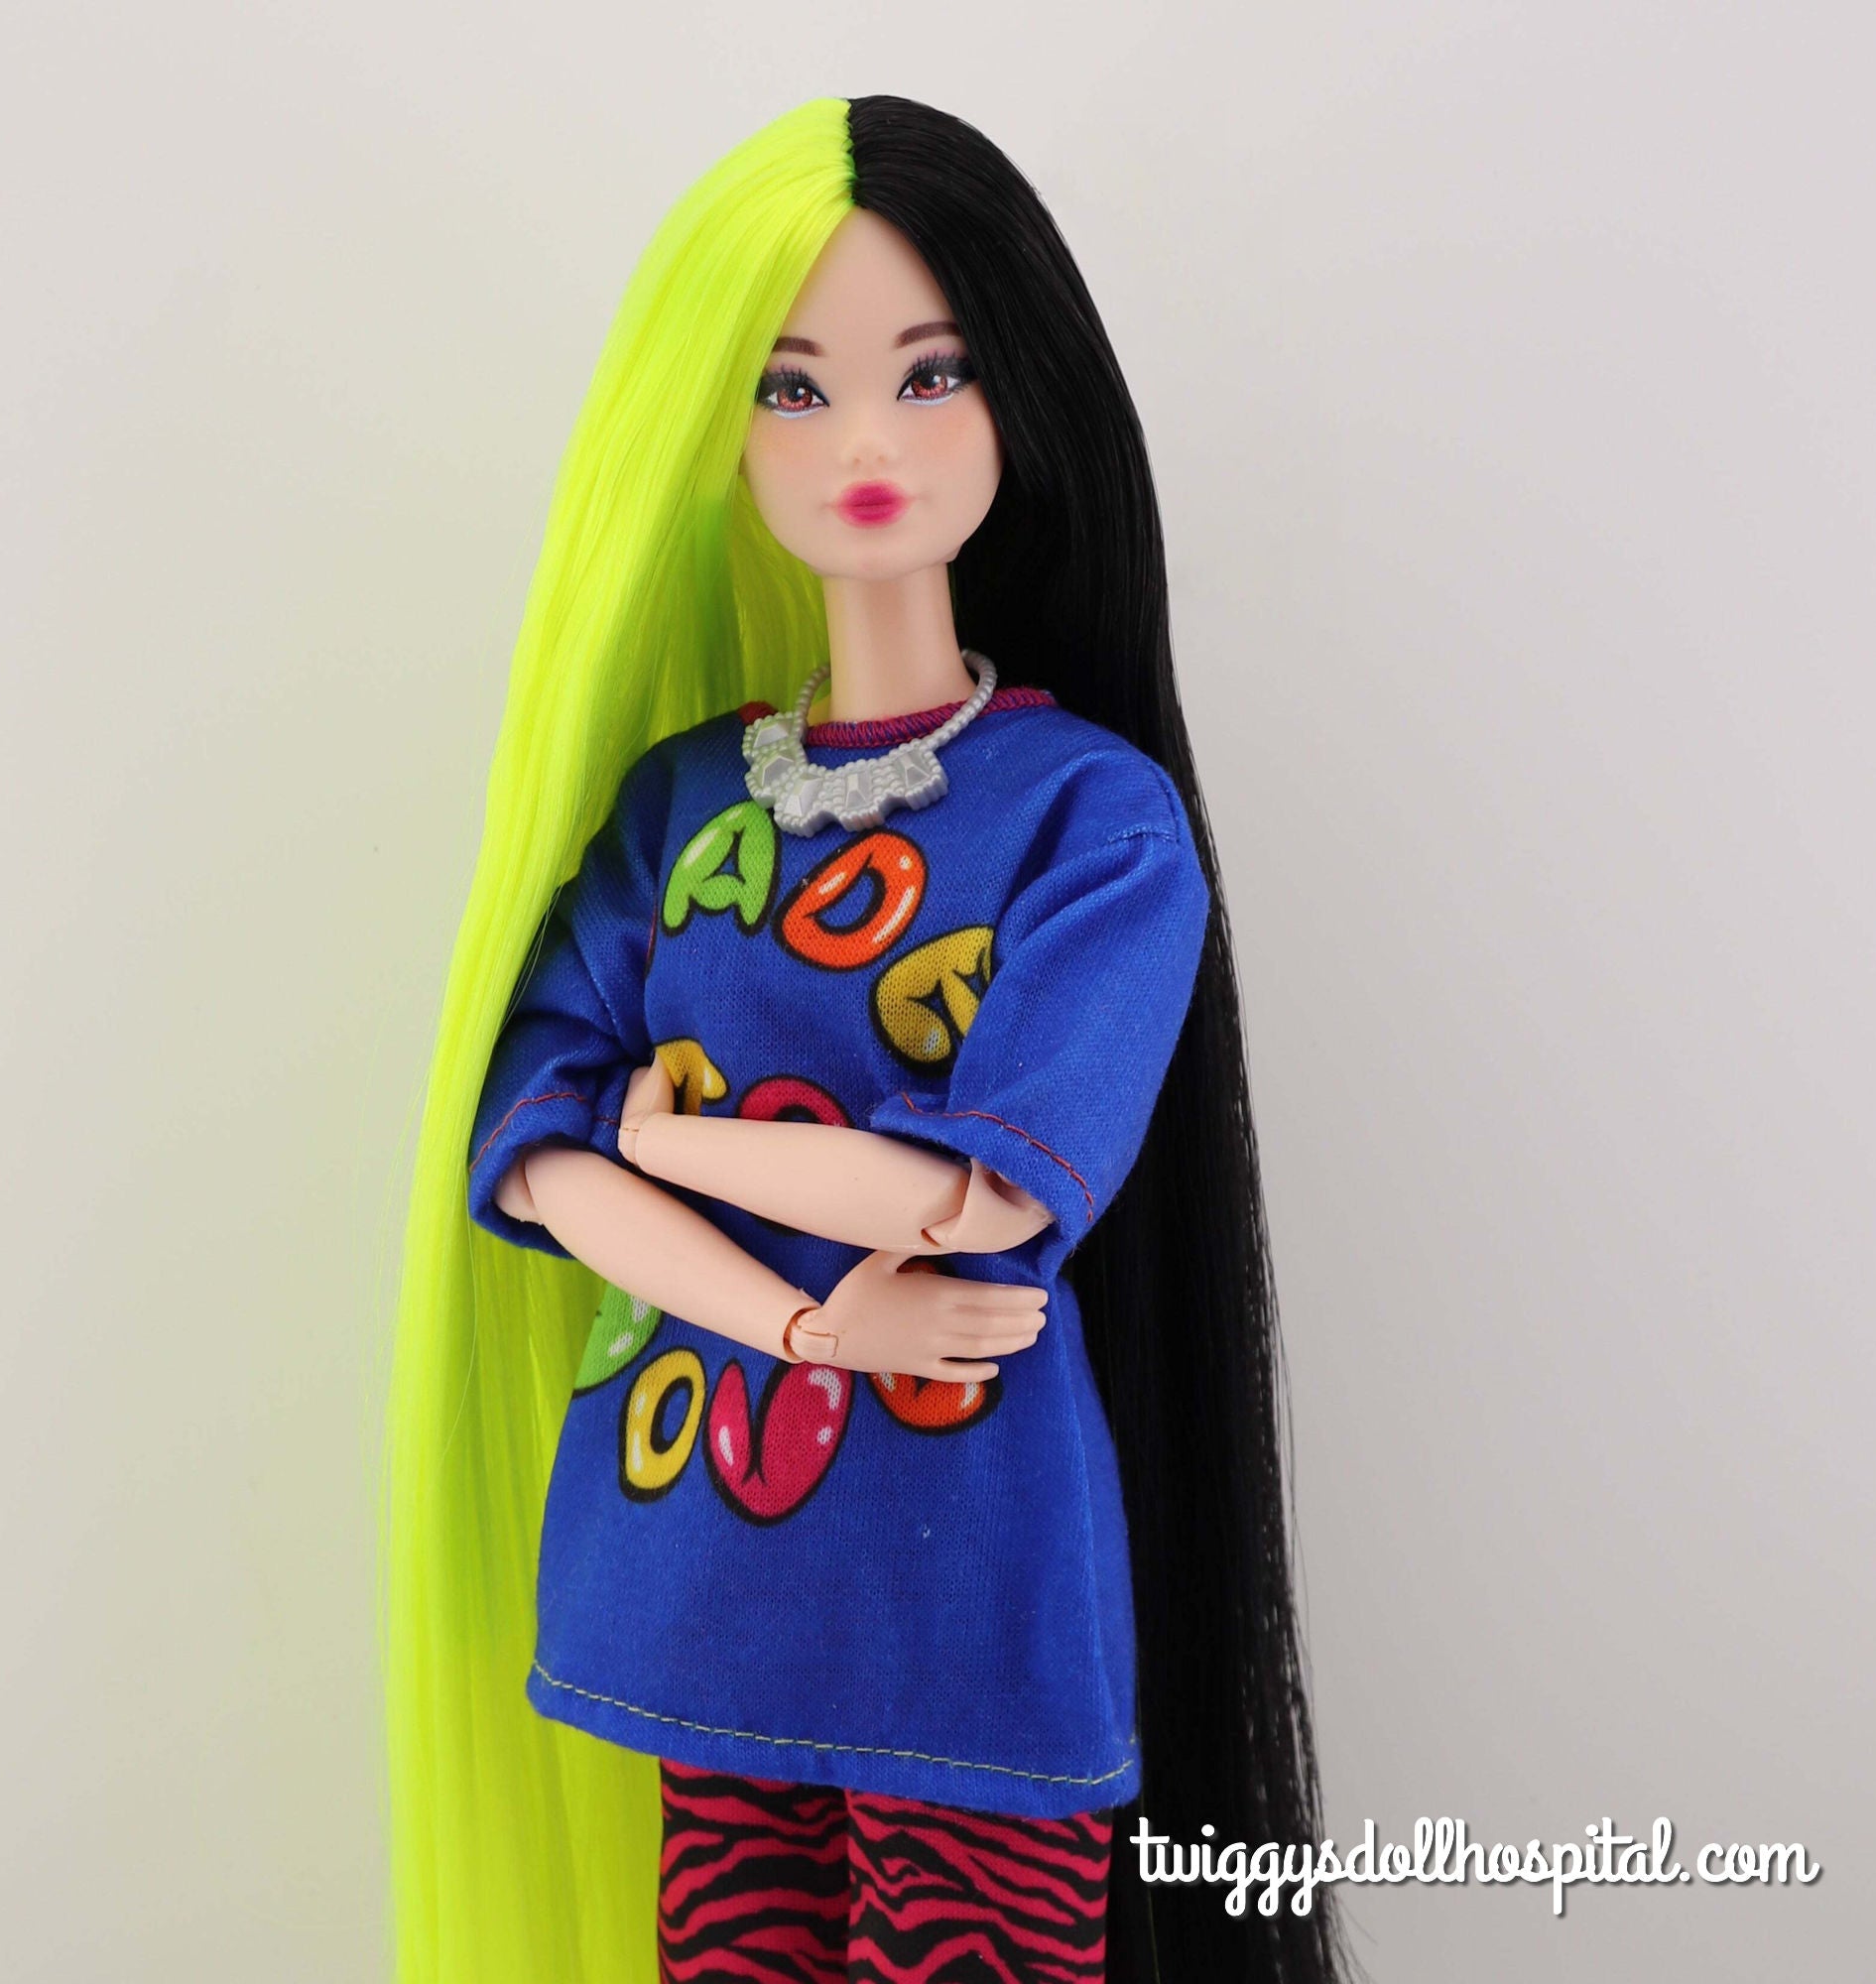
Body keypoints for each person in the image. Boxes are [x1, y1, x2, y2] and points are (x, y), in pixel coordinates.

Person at [386, 94, 1347, 1984]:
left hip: (967, 1597)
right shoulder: (676, 810)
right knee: (729, 1951)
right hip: (705, 1578)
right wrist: (815, 1329)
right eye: (793, 388)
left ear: (1020, 397)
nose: (868, 444)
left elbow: (980, 1195)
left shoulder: (1090, 819)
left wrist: (669, 1139)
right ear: (718, 428)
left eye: (931, 373)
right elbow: (538, 1158)